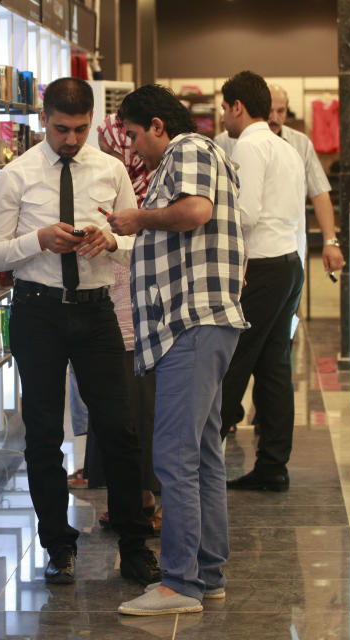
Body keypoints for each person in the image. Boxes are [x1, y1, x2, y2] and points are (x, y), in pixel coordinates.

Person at [0, 77, 161, 586]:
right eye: (62, 129)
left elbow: (136, 241)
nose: (71, 139)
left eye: (81, 129)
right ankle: (58, 545)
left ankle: (134, 543)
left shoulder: (110, 170)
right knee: (42, 433)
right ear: (44, 119)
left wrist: (111, 241)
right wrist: (36, 240)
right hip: (37, 311)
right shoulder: (16, 176)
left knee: (120, 429)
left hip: (95, 309)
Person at [107, 84, 247, 616]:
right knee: (203, 454)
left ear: (158, 126)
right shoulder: (208, 153)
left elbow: (194, 212)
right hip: (199, 324)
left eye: (136, 134)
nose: (135, 146)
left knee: (174, 455)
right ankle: (207, 573)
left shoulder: (187, 149)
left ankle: (181, 584)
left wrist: (137, 218)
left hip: (192, 324)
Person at [66, 114, 161, 535]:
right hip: (105, 307)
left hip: (134, 312)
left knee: (138, 409)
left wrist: (114, 237)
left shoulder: (146, 185)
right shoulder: (105, 180)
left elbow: (141, 244)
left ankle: (144, 497)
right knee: (113, 406)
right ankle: (125, 497)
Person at [217, 71, 306, 492]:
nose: (222, 117)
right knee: (274, 368)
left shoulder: (249, 145)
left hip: (263, 267)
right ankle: (273, 467)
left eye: (224, 108)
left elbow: (246, 213)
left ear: (237, 107)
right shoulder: (284, 145)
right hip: (288, 262)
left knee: (234, 363)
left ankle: (201, 462)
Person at [214, 84, 345, 275]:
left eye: (281, 111)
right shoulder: (225, 142)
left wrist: (330, 240)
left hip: (287, 250)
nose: (274, 118)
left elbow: (319, 191)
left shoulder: (299, 143)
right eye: (270, 111)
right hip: (243, 254)